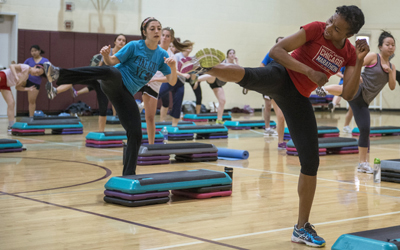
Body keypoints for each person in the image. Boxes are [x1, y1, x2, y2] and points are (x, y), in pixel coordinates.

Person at [179, 6, 367, 247]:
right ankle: (203, 67)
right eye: (331, 21)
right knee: (252, 75)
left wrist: (359, 61)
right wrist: (309, 71)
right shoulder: (316, 28)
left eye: (337, 28)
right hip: (283, 75)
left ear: (348, 35)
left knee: (311, 162)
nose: (330, 28)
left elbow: (350, 93)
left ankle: (301, 228)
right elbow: (276, 51)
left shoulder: (350, 54)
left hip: (298, 98)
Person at [44, 17, 177, 176]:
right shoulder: (134, 46)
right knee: (109, 71)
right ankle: (59, 74)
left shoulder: (161, 55)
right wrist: (106, 56)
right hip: (115, 82)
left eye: (159, 28)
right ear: (144, 32)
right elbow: (112, 61)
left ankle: (129, 174)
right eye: (152, 28)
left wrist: (173, 67)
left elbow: (172, 81)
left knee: (135, 133)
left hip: (125, 95)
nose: (157, 31)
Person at [318, 30, 396, 173]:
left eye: (393, 45)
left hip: (364, 101)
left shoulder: (392, 67)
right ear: (380, 46)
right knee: (347, 89)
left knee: (365, 129)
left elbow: (392, 86)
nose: (390, 47)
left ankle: (363, 164)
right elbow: (356, 63)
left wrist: (390, 72)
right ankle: (324, 89)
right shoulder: (374, 57)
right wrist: (357, 76)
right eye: (387, 44)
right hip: (359, 88)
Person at [48, 34, 127, 132]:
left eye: (124, 40)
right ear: (115, 42)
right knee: (75, 79)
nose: (121, 42)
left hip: (106, 84)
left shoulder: (124, 56)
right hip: (96, 78)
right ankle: (55, 91)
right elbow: (99, 66)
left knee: (103, 108)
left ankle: (101, 133)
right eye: (119, 39)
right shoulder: (108, 51)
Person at [140, 29, 193, 144]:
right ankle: (142, 108)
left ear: (171, 39)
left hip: (157, 85)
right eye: (163, 35)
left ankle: (152, 143)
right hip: (145, 83)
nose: (164, 38)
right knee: (148, 115)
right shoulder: (152, 48)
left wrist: (154, 79)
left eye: (167, 36)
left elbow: (171, 78)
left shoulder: (171, 56)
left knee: (151, 118)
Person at [195, 49, 239, 124]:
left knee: (222, 101)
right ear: (227, 55)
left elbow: (239, 72)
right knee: (212, 75)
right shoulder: (224, 62)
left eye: (233, 53)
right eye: (230, 53)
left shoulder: (234, 65)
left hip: (219, 84)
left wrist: (237, 62)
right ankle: (196, 79)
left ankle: (219, 120)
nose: (232, 55)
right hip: (213, 79)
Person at [260, 37, 287, 149]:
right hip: (272, 88)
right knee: (278, 114)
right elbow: (261, 66)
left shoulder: (289, 56)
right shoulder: (270, 55)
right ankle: (279, 140)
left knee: (283, 117)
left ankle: (282, 140)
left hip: (285, 89)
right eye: (279, 42)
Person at [0, 64, 45, 131]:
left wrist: (28, 89)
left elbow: (17, 87)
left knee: (11, 103)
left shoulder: (26, 77)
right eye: (37, 71)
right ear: (35, 66)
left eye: (38, 74)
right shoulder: (25, 67)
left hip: (6, 85)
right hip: (3, 76)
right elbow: (12, 66)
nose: (36, 74)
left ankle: (11, 125)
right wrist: (15, 76)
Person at [159, 41, 194, 126]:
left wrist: (194, 76)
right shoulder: (177, 56)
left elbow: (191, 74)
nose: (190, 48)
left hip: (180, 83)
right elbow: (174, 69)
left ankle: (174, 125)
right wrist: (183, 74)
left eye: (191, 46)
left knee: (178, 104)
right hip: (171, 80)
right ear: (183, 47)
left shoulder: (190, 60)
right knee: (157, 94)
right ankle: (143, 107)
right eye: (188, 46)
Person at [23, 45, 49, 117]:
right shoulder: (28, 60)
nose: (33, 52)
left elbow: (49, 71)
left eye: (35, 50)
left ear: (39, 51)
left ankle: (31, 117)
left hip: (34, 83)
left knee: (31, 101)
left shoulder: (45, 60)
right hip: (26, 79)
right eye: (32, 51)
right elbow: (22, 69)